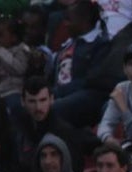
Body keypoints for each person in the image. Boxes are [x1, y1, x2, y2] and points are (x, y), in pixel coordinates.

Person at [51, 0, 112, 129]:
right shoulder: (67, 44)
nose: (65, 24)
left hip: (88, 97)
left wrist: (57, 93)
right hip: (59, 94)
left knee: (52, 109)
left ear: (84, 20)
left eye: (69, 20)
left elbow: (91, 81)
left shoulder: (100, 44)